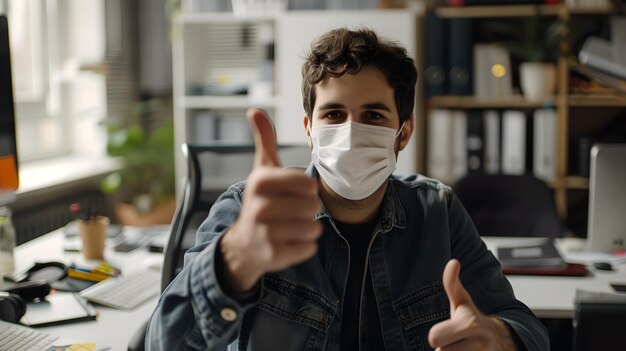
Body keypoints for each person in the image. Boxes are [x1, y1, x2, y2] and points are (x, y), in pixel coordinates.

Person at [146, 28, 549, 350]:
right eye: (334, 114)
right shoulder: (249, 210)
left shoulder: (436, 212)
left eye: (373, 115)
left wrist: (497, 338)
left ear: (403, 132)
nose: (351, 132)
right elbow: (163, 342)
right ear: (309, 130)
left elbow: (525, 325)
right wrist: (235, 259)